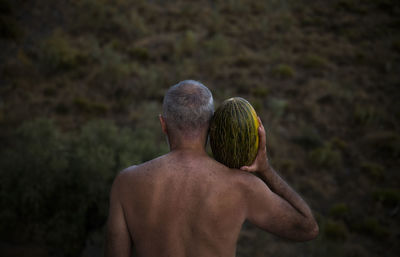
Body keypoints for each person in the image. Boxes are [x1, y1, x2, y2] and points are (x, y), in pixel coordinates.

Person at [105, 80, 319, 257]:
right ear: (211, 125)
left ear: (163, 124)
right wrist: (265, 169)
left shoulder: (127, 183)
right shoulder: (241, 186)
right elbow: (307, 227)